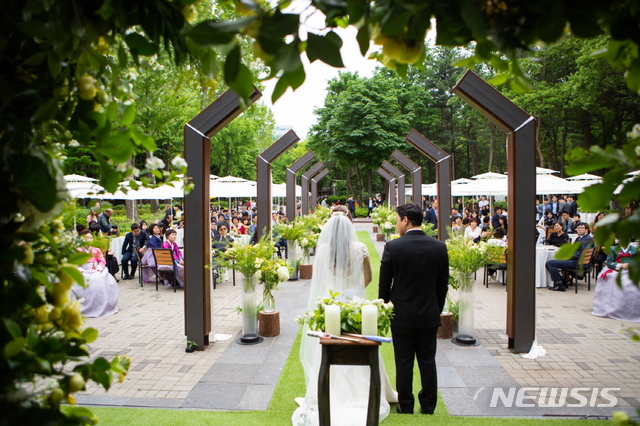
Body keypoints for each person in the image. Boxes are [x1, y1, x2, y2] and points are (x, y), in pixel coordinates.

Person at [292, 206, 397, 426]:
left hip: (330, 305)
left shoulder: (321, 251)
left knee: (330, 346)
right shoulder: (360, 249)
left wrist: (334, 292)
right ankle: (366, 391)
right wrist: (354, 291)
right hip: (355, 305)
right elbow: (368, 278)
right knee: (361, 345)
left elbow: (319, 282)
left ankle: (326, 391)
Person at [379, 203, 449, 415]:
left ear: (405, 220)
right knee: (427, 360)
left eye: (397, 220)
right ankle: (428, 406)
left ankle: (406, 405)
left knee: (404, 360)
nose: (396, 224)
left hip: (401, 314)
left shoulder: (393, 247)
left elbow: (384, 285)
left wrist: (384, 309)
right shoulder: (439, 247)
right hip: (429, 312)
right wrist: (435, 308)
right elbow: (442, 284)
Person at [71, 230, 119, 318]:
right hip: (82, 270)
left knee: (99, 279)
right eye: (87, 238)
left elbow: (102, 261)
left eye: (90, 237)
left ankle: (101, 304)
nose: (89, 239)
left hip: (95, 269)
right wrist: (80, 269)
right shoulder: (77, 250)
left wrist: (98, 269)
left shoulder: (96, 250)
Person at [546, 222, 594, 291]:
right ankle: (562, 281)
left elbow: (580, 254)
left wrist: (569, 256)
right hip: (576, 260)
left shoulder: (587, 239)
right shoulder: (581, 238)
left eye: (582, 228)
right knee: (555, 260)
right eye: (578, 228)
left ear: (586, 230)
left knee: (550, 263)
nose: (579, 229)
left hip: (578, 262)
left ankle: (559, 284)